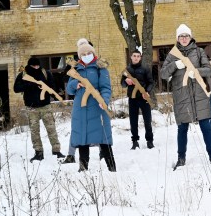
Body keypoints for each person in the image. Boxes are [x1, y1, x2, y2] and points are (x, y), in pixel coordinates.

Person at [160, 24, 211, 168]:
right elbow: (163, 74)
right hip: (182, 97)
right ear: (177, 38)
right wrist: (175, 65)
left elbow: (208, 69)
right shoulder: (172, 54)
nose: (184, 38)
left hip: (199, 95)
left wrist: (196, 72)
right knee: (182, 128)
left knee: (205, 126)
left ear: (190, 37)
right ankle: (181, 158)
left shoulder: (199, 52)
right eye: (181, 36)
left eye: (186, 36)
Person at [66, 40, 116, 171]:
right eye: (84, 54)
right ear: (80, 56)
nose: (87, 55)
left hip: (97, 108)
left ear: (93, 53)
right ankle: (83, 169)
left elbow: (106, 88)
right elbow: (69, 90)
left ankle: (112, 169)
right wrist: (75, 84)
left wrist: (104, 100)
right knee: (83, 141)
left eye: (89, 52)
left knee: (103, 139)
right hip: (80, 110)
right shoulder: (76, 69)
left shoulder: (100, 68)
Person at [14, 57, 65, 162]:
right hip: (31, 107)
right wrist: (30, 84)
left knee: (51, 129)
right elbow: (16, 88)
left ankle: (56, 151)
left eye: (38, 65)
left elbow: (52, 87)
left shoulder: (45, 73)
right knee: (34, 131)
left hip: (45, 106)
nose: (36, 67)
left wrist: (52, 92)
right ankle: (38, 152)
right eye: (34, 66)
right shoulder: (23, 75)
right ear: (30, 66)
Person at [121, 49, 155, 150]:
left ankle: (150, 141)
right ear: (131, 57)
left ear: (140, 57)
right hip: (132, 98)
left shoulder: (145, 69)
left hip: (144, 97)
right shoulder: (126, 70)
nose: (136, 58)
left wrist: (147, 91)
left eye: (138, 56)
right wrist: (126, 81)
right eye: (134, 56)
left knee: (147, 120)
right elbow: (122, 84)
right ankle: (135, 141)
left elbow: (151, 82)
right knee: (133, 121)